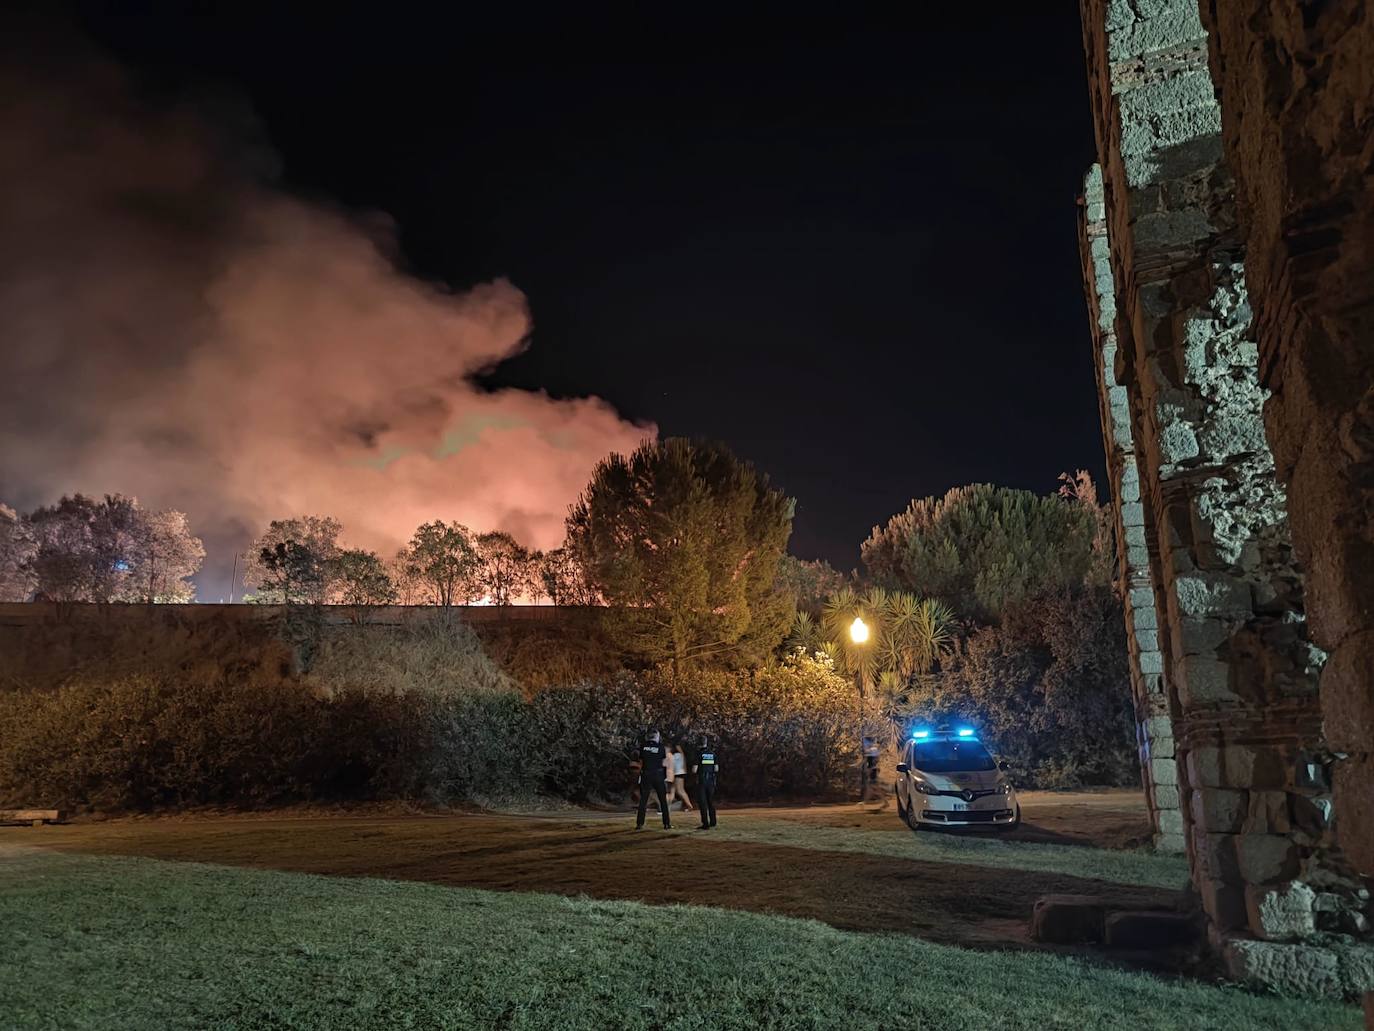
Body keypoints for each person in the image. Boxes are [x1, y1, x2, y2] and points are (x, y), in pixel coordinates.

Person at [636, 730, 672, 830]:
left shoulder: (643, 746)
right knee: (663, 800)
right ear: (656, 737)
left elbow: (641, 761)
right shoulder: (660, 747)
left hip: (646, 774)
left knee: (643, 800)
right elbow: (663, 762)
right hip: (658, 774)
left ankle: (640, 823)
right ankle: (666, 823)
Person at [692, 734, 719, 829]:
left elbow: (694, 770)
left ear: (698, 743)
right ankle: (713, 821)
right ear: (706, 742)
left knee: (703, 802)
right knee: (711, 801)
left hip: (702, 780)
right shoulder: (712, 753)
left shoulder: (698, 753)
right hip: (711, 780)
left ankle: (705, 824)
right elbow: (716, 769)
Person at [669, 744, 693, 812]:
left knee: (680, 791)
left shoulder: (673, 756)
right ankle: (667, 806)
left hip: (677, 773)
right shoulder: (681, 755)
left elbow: (672, 765)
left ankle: (689, 805)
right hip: (680, 773)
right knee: (672, 790)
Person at [860, 735, 882, 806]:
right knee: (871, 787)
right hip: (873, 770)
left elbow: (872, 762)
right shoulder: (872, 749)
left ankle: (865, 802)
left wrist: (870, 770)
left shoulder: (872, 750)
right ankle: (865, 802)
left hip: (872, 770)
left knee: (872, 786)